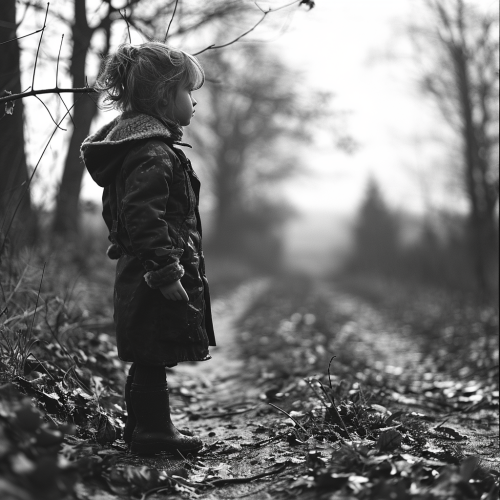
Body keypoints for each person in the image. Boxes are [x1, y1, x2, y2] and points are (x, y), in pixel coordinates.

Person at [81, 42, 215, 455]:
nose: (193, 102)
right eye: (187, 93)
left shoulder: (149, 149)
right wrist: (165, 271)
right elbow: (142, 217)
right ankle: (155, 433)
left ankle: (140, 427)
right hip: (150, 276)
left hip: (144, 272)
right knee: (152, 355)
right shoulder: (153, 152)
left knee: (148, 354)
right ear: (162, 98)